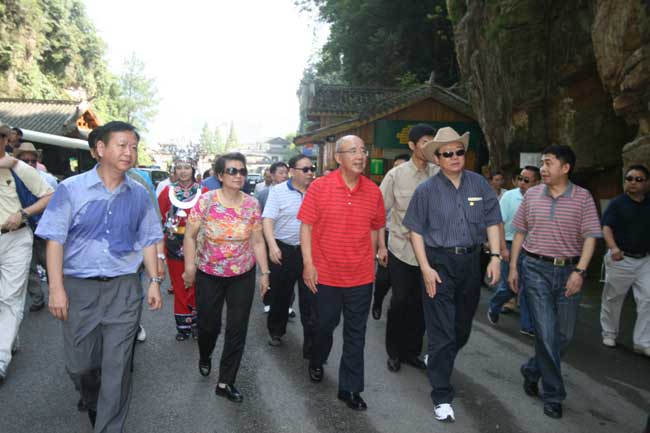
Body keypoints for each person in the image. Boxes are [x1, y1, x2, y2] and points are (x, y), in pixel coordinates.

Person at [36, 121, 164, 431]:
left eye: (133, 147)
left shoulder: (139, 194)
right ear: (101, 149)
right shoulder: (70, 189)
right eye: (122, 145)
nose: (129, 152)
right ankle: (93, 400)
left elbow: (148, 239)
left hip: (124, 288)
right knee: (81, 366)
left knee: (118, 368)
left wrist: (154, 281)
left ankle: (108, 426)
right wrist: (56, 289)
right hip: (79, 288)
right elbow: (55, 241)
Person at [403, 126, 502, 423]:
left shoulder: (479, 184)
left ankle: (438, 357)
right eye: (448, 153)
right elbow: (415, 231)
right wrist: (425, 268)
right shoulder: (426, 191)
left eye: (459, 151)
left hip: (471, 262)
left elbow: (493, 221)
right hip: (439, 263)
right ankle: (441, 396)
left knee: (461, 329)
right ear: (437, 158)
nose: (455, 157)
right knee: (442, 333)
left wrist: (496, 257)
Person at [508, 144, 601, 420]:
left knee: (564, 335)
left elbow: (591, 237)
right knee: (546, 333)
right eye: (542, 163)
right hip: (535, 269)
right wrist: (513, 267)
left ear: (566, 167)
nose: (543, 168)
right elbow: (520, 232)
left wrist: (580, 272)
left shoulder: (583, 198)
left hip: (569, 271)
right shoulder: (532, 195)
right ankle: (554, 394)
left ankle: (532, 369)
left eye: (549, 163)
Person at [298, 135, 386, 411]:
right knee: (324, 325)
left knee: (356, 334)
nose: (360, 156)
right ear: (338, 157)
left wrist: (376, 254)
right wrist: (308, 264)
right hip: (325, 274)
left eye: (363, 150)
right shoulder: (320, 187)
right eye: (353, 151)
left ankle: (350, 388)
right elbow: (306, 227)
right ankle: (316, 359)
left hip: (360, 276)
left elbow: (375, 226)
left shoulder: (373, 191)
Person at [182, 152, 270, 404]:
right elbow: (189, 236)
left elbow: (257, 241)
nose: (238, 175)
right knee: (209, 325)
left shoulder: (252, 204)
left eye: (242, 171)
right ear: (220, 175)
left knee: (237, 327)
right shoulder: (207, 201)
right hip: (209, 273)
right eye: (232, 171)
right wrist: (190, 267)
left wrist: (265, 273)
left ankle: (226, 382)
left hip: (242, 274)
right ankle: (205, 353)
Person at [378, 126, 438, 373]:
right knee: (401, 301)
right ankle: (394, 352)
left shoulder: (440, 173)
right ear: (412, 145)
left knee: (423, 303)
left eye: (433, 141)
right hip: (401, 250)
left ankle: (412, 352)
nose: (429, 146)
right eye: (424, 142)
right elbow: (378, 213)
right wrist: (381, 246)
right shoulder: (396, 175)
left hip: (431, 252)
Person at [0, 123, 54, 385]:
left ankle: (1, 358)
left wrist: (23, 213)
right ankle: (9, 338)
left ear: (5, 140)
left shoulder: (18, 168)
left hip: (16, 238)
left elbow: (49, 195)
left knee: (10, 297)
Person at [263, 154, 316, 354]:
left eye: (312, 169)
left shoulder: (318, 190)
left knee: (311, 298)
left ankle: (311, 343)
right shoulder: (278, 191)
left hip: (310, 252)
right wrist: (272, 246)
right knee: (280, 295)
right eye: (305, 169)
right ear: (292, 171)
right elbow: (268, 220)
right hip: (283, 250)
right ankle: (276, 331)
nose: (310, 173)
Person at [600, 164, 650, 357]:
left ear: (646, 183)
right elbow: (606, 227)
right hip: (621, 259)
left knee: (648, 298)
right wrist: (613, 247)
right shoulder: (617, 203)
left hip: (644, 259)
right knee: (613, 298)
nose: (633, 182)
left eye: (638, 179)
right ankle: (609, 333)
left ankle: (642, 341)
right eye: (629, 178)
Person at [487, 166, 540, 336]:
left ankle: (527, 325)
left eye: (527, 180)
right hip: (510, 245)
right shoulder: (509, 196)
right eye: (520, 179)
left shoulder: (541, 198)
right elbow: (498, 222)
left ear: (537, 182)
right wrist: (502, 248)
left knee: (527, 287)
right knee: (510, 286)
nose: (522, 183)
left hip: (531, 248)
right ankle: (494, 306)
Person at [158, 155, 207, 341]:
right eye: (179, 167)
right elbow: (160, 220)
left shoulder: (205, 192)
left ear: (193, 170)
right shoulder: (167, 192)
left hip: (199, 244)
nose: (183, 171)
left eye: (187, 167)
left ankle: (197, 323)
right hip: (174, 244)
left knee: (198, 285)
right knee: (179, 284)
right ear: (174, 170)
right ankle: (183, 326)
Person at [14, 143, 59, 313]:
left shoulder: (48, 180)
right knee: (29, 267)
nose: (30, 164)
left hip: (44, 231)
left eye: (33, 161)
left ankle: (57, 293)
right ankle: (37, 298)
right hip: (21, 231)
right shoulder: (10, 180)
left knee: (51, 264)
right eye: (25, 161)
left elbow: (59, 205)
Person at [372, 153, 411, 320]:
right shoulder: (387, 187)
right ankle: (377, 301)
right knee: (383, 279)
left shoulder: (417, 188)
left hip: (411, 240)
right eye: (395, 167)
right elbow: (378, 219)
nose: (398, 170)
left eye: (401, 167)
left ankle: (398, 313)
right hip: (388, 236)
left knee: (403, 282)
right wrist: (381, 246)